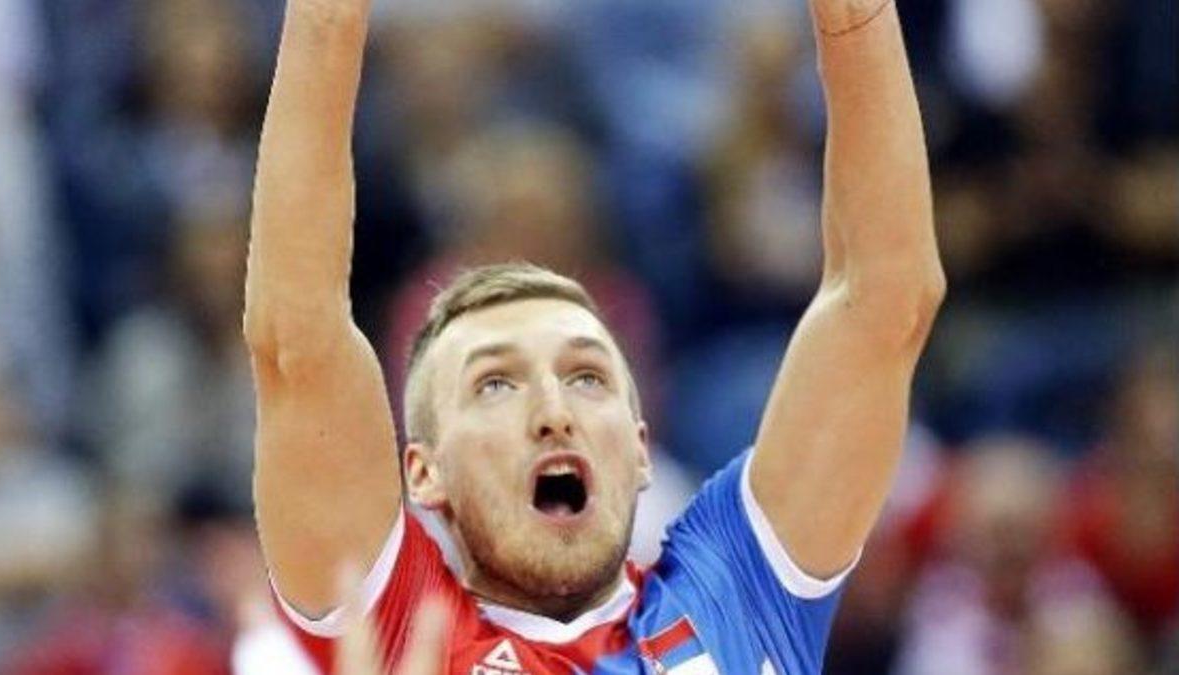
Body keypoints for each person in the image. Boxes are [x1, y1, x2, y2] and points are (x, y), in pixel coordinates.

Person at [244, 0, 944, 672]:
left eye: (587, 376)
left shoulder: (737, 588)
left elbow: (884, 303)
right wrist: (326, 17)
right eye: (495, 384)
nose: (554, 412)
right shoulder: (398, 622)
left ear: (640, 447)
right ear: (425, 473)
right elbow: (297, 341)